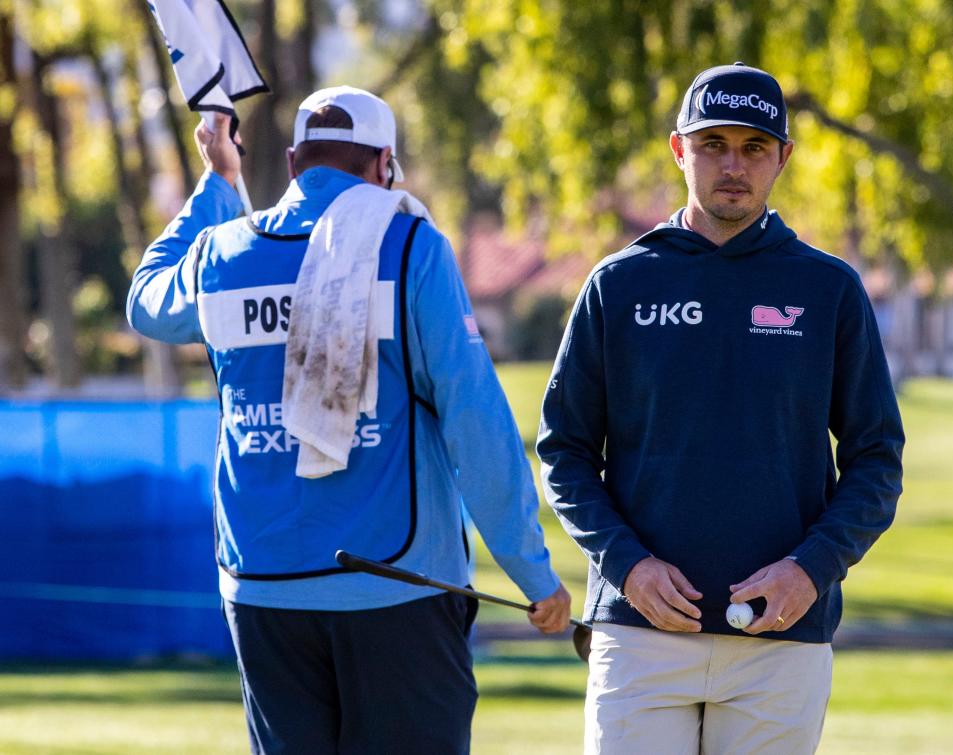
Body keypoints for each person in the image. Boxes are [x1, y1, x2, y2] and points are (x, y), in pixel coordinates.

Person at [127, 85, 571, 754]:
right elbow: (474, 420)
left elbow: (145, 300)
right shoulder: (410, 244)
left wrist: (219, 184)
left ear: (294, 160)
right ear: (384, 165)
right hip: (396, 588)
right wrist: (533, 573)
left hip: (264, 589)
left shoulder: (221, 254)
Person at [537, 63, 904, 754]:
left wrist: (811, 569)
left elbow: (876, 461)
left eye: (754, 147)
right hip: (641, 635)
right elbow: (565, 451)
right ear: (680, 150)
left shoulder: (829, 289)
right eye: (713, 145)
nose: (733, 165)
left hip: (780, 640)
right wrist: (628, 565)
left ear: (782, 159)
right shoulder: (619, 283)